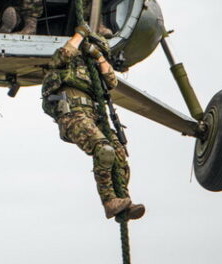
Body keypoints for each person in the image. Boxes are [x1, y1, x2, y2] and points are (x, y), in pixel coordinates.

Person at [41, 28, 145, 220]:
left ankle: (124, 200)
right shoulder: (66, 65)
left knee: (119, 152)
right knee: (104, 149)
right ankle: (109, 201)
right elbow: (62, 55)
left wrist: (98, 56)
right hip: (72, 115)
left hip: (93, 116)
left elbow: (111, 81)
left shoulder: (95, 73)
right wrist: (80, 35)